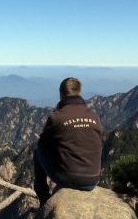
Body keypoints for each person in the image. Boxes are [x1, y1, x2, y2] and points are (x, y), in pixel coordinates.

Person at [33, 77, 103, 206]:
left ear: (61, 94)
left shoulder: (57, 117)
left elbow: (42, 144)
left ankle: (43, 198)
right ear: (79, 92)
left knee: (37, 151)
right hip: (93, 179)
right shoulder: (94, 116)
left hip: (69, 178)